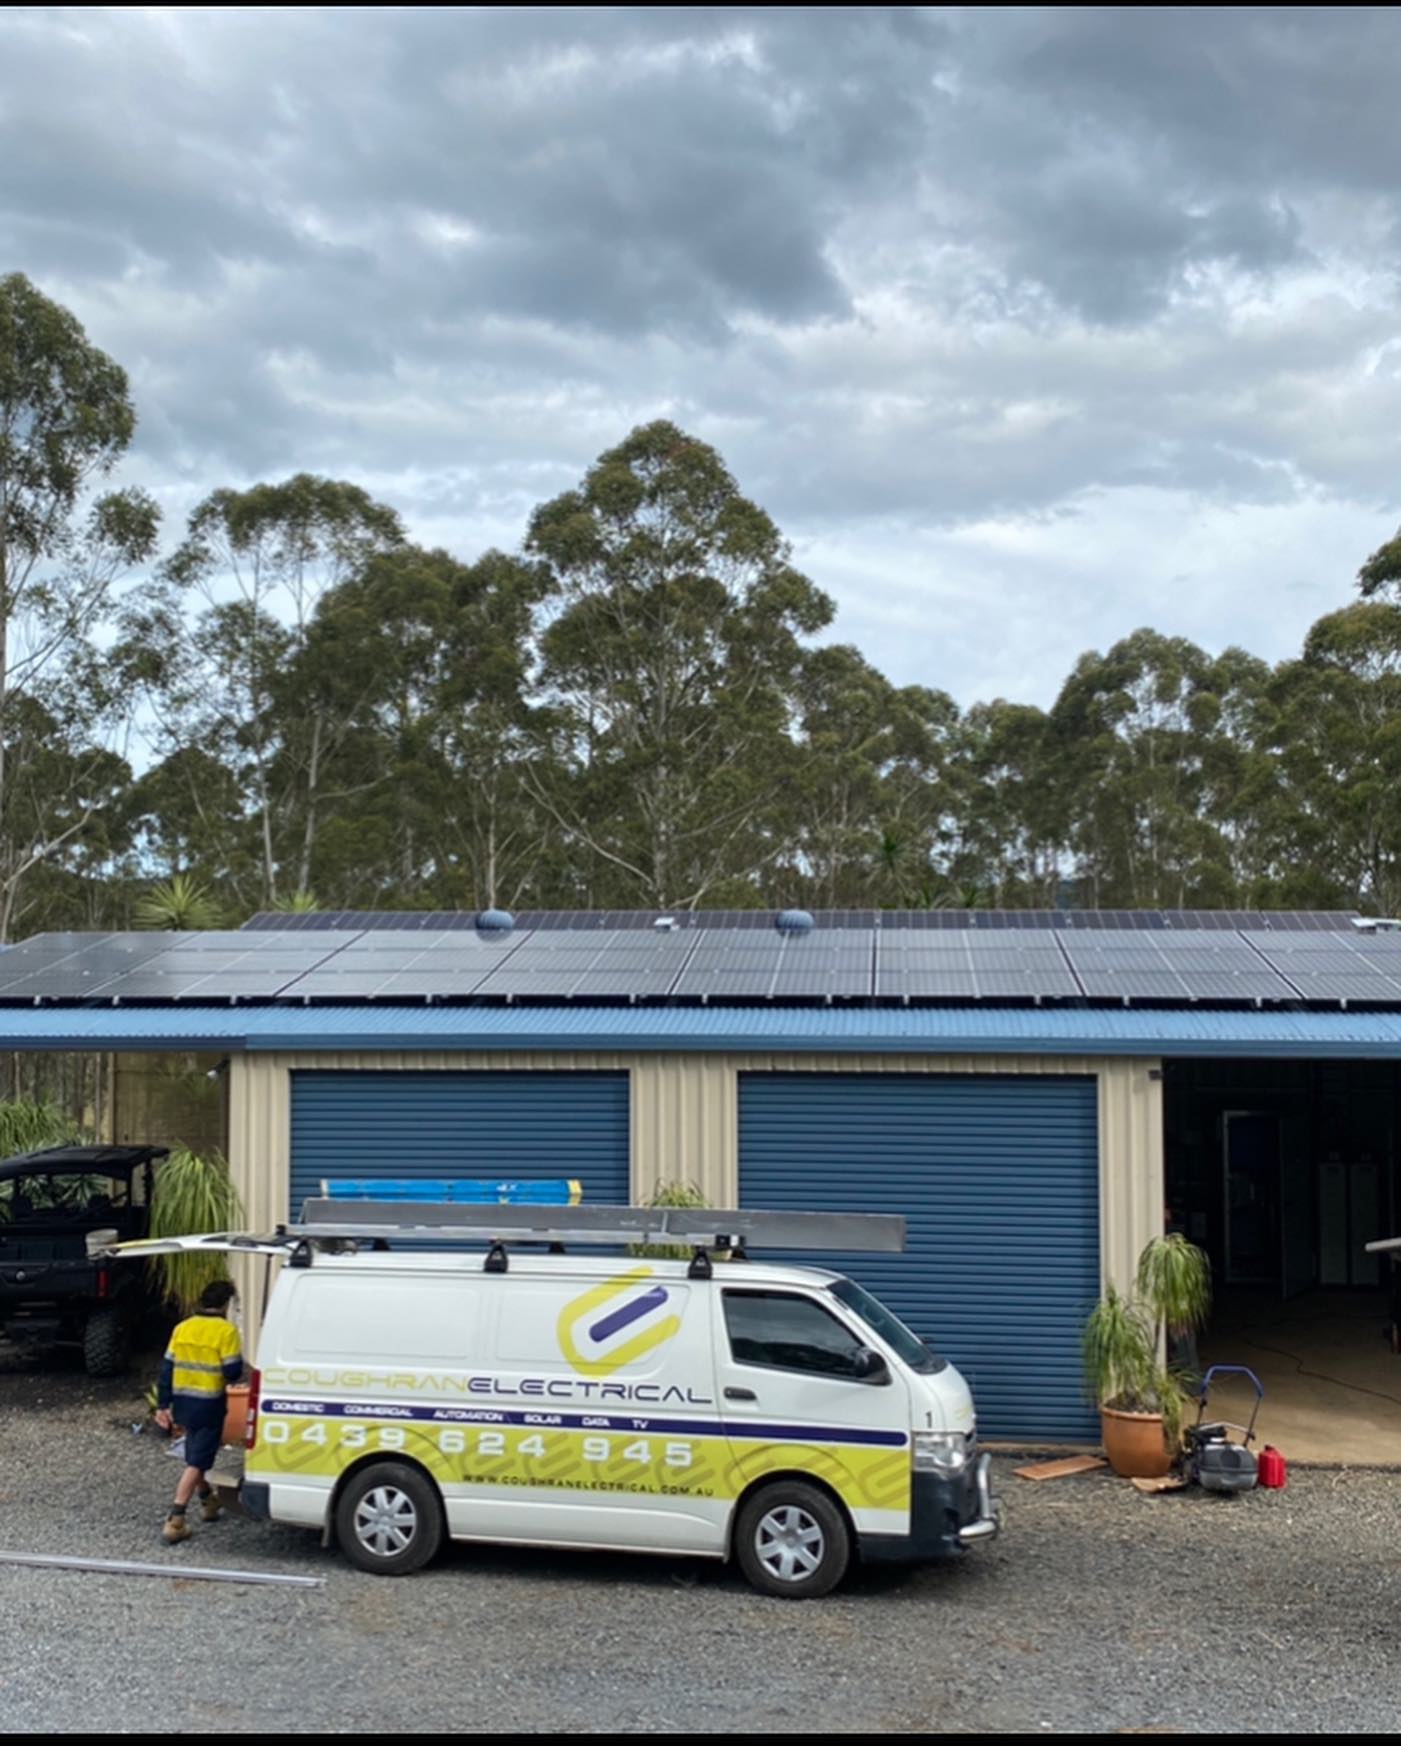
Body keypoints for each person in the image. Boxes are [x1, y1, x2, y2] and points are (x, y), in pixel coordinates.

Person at [155, 1279, 244, 1545]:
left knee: (197, 1453)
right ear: (226, 1304)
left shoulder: (182, 1328)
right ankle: (176, 1518)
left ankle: (208, 1502)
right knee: (197, 1462)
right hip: (209, 1404)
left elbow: (166, 1370)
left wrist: (162, 1404)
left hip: (183, 1403)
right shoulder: (225, 1331)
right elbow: (232, 1372)